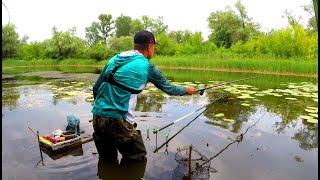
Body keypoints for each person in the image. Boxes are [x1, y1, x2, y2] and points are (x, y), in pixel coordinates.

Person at [91, 30, 196, 162]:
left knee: (107, 160)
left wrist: (101, 113)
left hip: (97, 117)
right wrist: (187, 89)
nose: (154, 50)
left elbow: (96, 88)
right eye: (154, 47)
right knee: (137, 158)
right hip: (119, 120)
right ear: (149, 46)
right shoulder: (148, 68)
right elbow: (169, 88)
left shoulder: (113, 60)